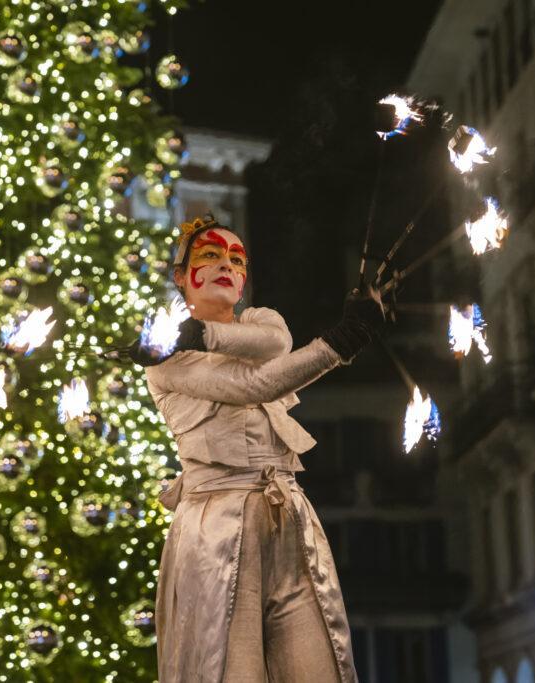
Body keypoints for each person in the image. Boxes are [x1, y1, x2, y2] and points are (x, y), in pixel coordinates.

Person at [128, 214, 383, 682]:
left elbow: (277, 343)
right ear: (182, 277)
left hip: (289, 514)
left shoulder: (260, 324)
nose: (227, 263)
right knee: (229, 671)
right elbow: (255, 385)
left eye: (236, 258)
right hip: (216, 522)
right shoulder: (165, 359)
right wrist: (339, 342)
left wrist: (202, 333)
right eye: (210, 255)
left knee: (319, 666)